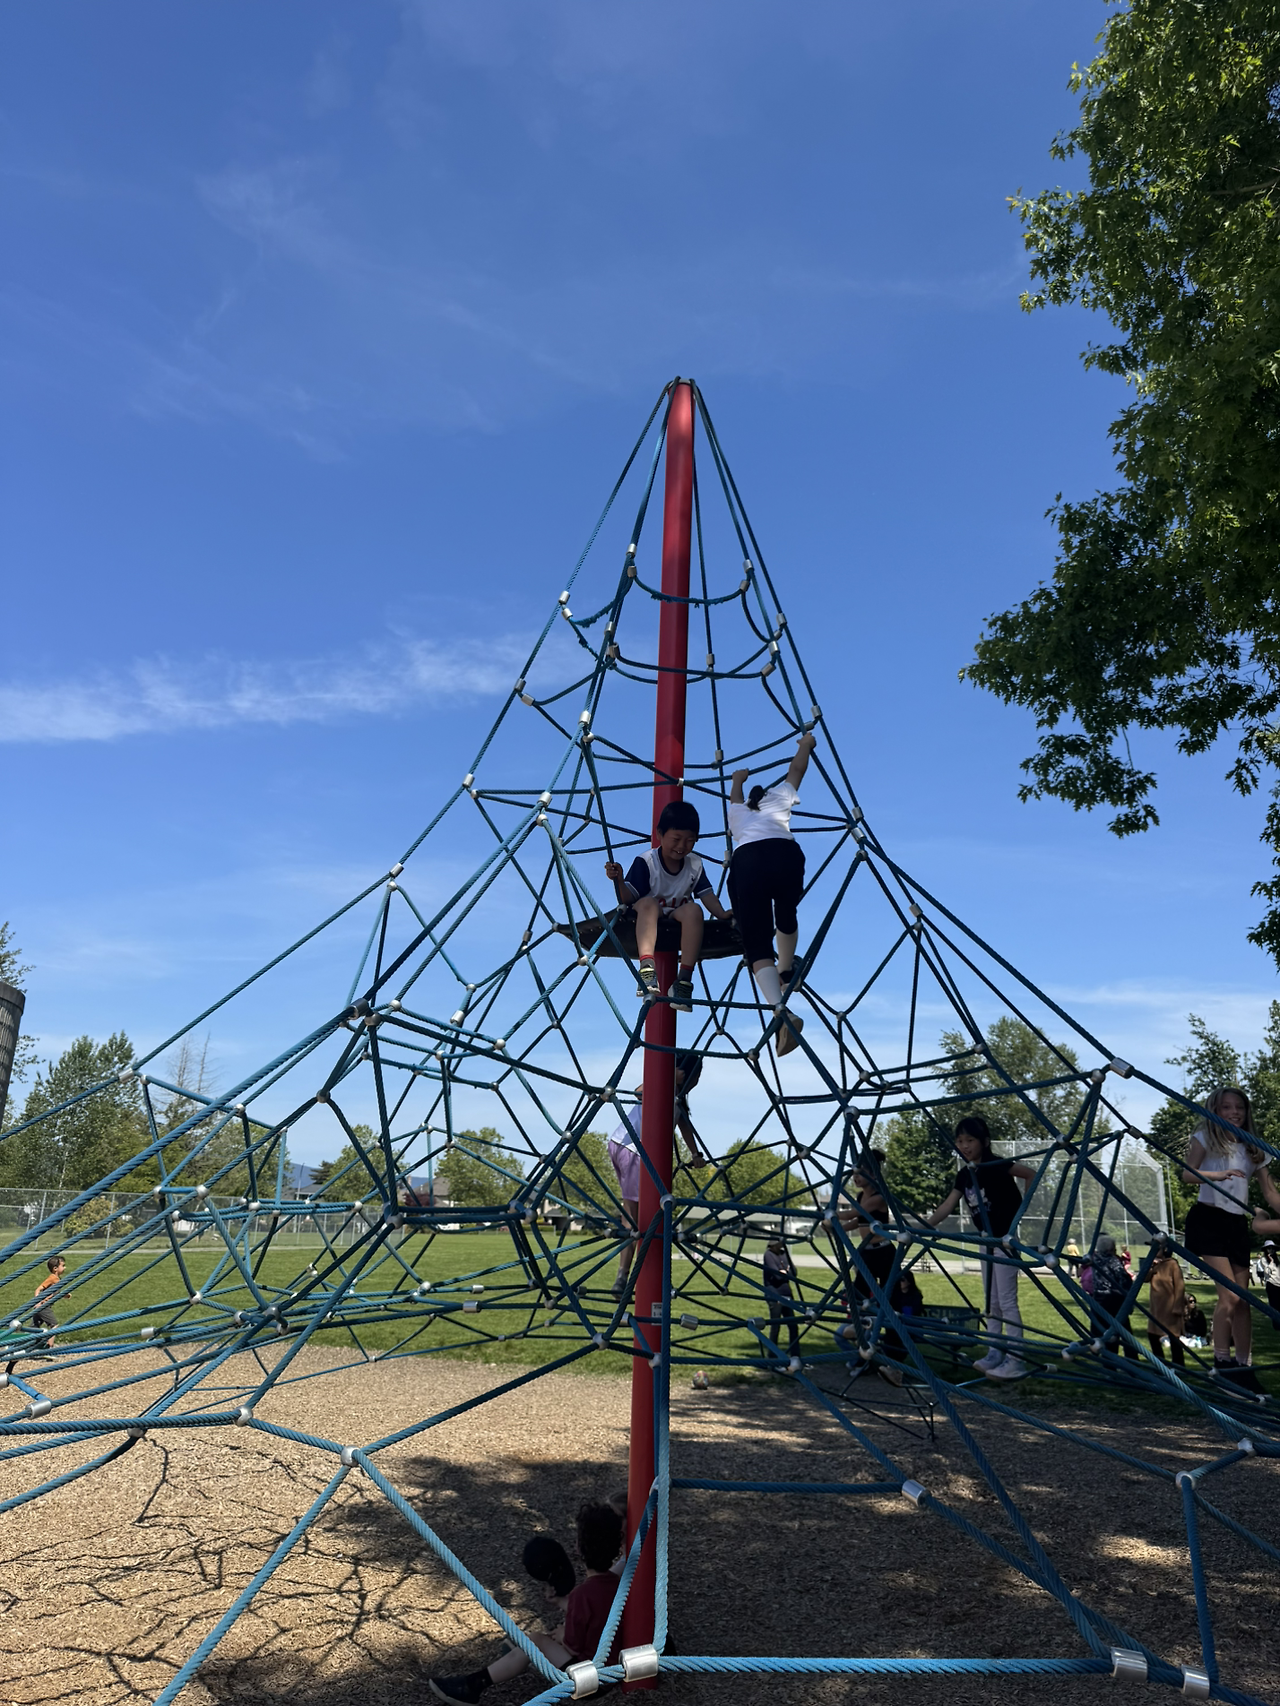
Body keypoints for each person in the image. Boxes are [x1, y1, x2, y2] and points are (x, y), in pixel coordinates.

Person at [429, 1501, 624, 1704]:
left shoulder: (583, 1594)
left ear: (578, 1548)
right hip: (611, 1673)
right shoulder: (618, 1584)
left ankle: (472, 1686)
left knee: (537, 1641)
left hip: (592, 1682)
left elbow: (573, 1647)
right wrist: (562, 1603)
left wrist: (562, 1636)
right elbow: (596, 1618)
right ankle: (518, 1656)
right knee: (535, 1643)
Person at [1181, 1084, 1280, 1394]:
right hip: (1207, 1220)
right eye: (1226, 1107)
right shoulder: (1206, 1138)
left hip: (1235, 1224)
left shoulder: (1254, 1148)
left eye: (1239, 1107)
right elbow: (1187, 1173)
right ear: (1216, 1110)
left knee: (1244, 1302)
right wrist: (1217, 1176)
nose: (1234, 1112)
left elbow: (1270, 1193)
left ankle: (1243, 1366)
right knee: (1230, 1297)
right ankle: (1222, 1363)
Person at [922, 1117, 1035, 1380]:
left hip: (1004, 1241)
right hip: (987, 1242)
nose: (964, 1146)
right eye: (960, 1141)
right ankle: (995, 1353)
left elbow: (1030, 1174)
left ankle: (1016, 1360)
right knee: (991, 1302)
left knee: (1007, 1302)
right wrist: (925, 1226)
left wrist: (1020, 1212)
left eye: (970, 1140)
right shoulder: (965, 1174)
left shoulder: (997, 1165)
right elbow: (948, 1204)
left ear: (984, 1142)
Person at [726, 732, 816, 1057]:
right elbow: (797, 770)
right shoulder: (779, 797)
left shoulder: (738, 813)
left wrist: (737, 779)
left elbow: (735, 797)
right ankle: (787, 969)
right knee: (786, 912)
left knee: (756, 941)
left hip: (747, 860)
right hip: (785, 853)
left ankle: (781, 1013)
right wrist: (805, 745)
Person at [604, 800, 732, 1011]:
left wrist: (721, 913)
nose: (681, 846)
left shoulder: (694, 864)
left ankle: (683, 980)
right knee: (649, 904)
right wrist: (618, 880)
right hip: (647, 914)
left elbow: (706, 895)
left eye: (689, 841)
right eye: (676, 839)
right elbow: (627, 898)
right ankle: (647, 969)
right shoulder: (647, 862)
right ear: (660, 835)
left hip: (676, 915)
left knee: (694, 910)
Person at [1087, 1234, 1140, 1361]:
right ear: (1110, 1249)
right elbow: (1124, 1279)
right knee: (1125, 1333)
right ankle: (1132, 1361)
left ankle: (1109, 1362)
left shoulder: (1095, 1260)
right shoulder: (1113, 1260)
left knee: (1105, 1332)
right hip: (1114, 1301)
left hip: (1099, 1300)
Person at [1146, 1239, 1188, 1367]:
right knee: (1152, 1335)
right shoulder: (1153, 1263)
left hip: (1169, 1307)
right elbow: (1145, 1278)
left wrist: (1177, 1306)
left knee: (1173, 1337)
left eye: (1156, 1248)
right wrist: (1150, 1267)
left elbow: (1179, 1286)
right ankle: (1160, 1365)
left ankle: (1178, 1366)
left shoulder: (1172, 1264)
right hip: (1156, 1308)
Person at [762, 1237, 802, 1371]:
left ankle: (796, 1357)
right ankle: (772, 1359)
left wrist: (785, 1272)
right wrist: (784, 1271)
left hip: (787, 1293)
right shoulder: (768, 1255)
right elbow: (777, 1276)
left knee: (793, 1326)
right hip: (774, 1294)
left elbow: (794, 1272)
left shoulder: (784, 1253)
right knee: (776, 1327)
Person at [32, 1255, 66, 1348]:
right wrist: (37, 1302)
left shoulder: (58, 1280)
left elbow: (56, 1292)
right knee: (54, 1325)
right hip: (43, 1306)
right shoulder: (52, 1278)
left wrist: (66, 1295)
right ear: (55, 1268)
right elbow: (38, 1289)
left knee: (33, 1328)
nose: (65, 1268)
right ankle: (49, 1346)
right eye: (63, 1265)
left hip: (44, 1306)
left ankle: (21, 1345)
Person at [1254, 1238, 1280, 1329]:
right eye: (1268, 1248)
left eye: (1272, 1248)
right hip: (1271, 1284)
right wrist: (1271, 1262)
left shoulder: (1277, 1260)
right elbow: (1267, 1271)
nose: (1270, 1250)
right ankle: (1276, 1324)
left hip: (1279, 1283)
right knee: (1274, 1304)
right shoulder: (1263, 1260)